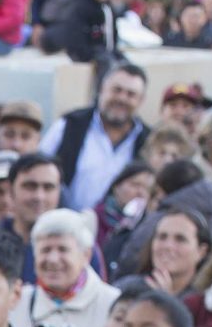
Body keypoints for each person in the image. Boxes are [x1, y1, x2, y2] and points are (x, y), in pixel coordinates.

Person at [42, 63, 150, 216]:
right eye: (117, 90)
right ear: (101, 90)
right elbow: (40, 167)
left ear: (141, 101)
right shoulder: (69, 126)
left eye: (130, 94)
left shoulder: (148, 141)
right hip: (63, 222)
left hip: (120, 228)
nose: (122, 98)